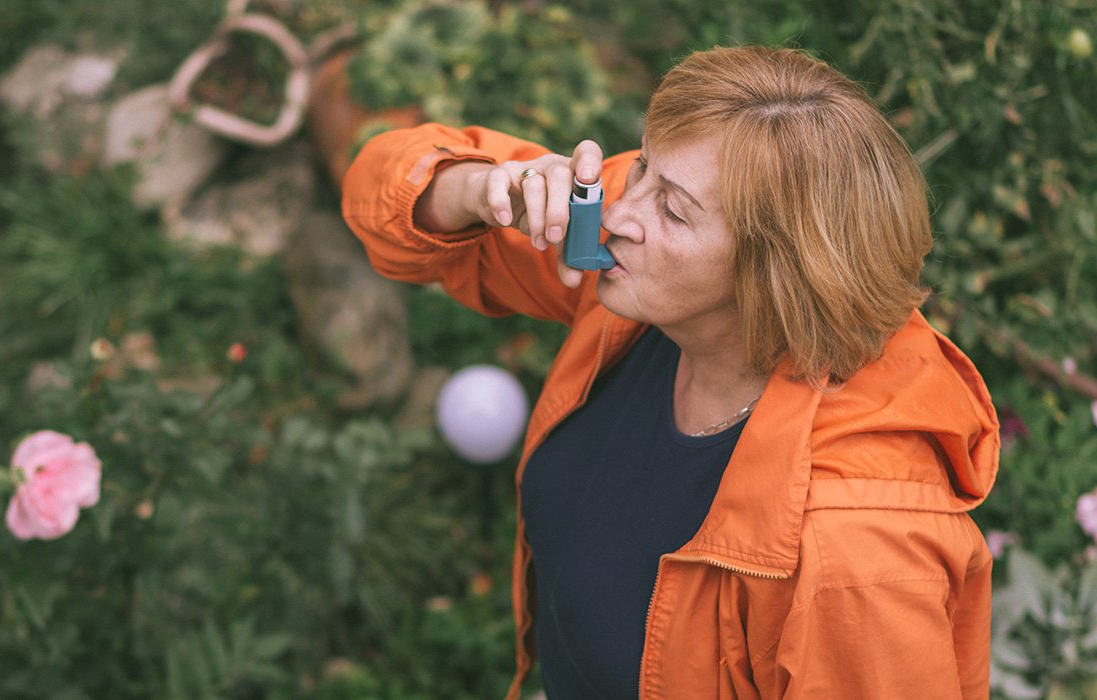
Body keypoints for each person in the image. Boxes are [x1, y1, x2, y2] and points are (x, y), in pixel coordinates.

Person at [341, 45, 1000, 699]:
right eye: (644, 169)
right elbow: (379, 192)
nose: (619, 216)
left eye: (673, 209)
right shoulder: (646, 281)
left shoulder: (859, 551)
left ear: (773, 274)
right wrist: (473, 188)